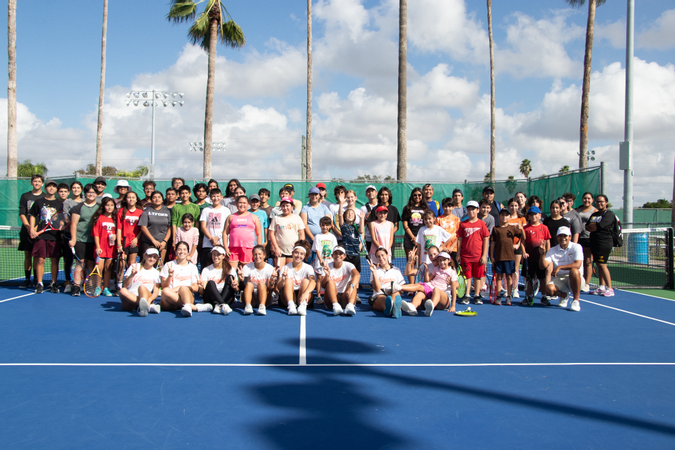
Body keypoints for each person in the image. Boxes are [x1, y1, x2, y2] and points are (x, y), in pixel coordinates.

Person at [28, 179, 63, 294]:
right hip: (41, 236)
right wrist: (32, 229)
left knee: (54, 260)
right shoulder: (38, 202)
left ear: (56, 189)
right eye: (49, 186)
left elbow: (62, 218)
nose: (51, 188)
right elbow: (33, 215)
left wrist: (62, 226)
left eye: (53, 186)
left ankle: (53, 283)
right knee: (40, 260)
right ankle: (39, 283)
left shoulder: (59, 203)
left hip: (55, 236)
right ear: (45, 188)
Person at [396, 250, 457, 316]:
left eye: (444, 260)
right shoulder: (435, 268)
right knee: (420, 293)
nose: (442, 262)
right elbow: (426, 280)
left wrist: (453, 306)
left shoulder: (452, 272)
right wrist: (426, 271)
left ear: (449, 260)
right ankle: (412, 307)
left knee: (436, 289)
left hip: (443, 299)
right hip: (430, 293)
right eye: (440, 260)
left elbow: (454, 289)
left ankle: (431, 307)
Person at [540, 226, 585, 312]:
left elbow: (578, 264)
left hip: (576, 278)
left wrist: (559, 267)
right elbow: (543, 266)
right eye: (560, 236)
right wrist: (542, 254)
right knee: (548, 290)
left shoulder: (577, 247)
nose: (563, 238)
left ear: (570, 237)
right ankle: (563, 295)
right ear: (557, 237)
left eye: (565, 236)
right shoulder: (553, 250)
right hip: (560, 279)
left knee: (574, 271)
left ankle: (576, 300)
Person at [160, 241, 210, 317]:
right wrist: (170, 276)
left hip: (187, 295)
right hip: (170, 298)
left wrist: (180, 288)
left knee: (183, 288)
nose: (182, 252)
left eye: (184, 249)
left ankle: (187, 305)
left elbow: (196, 288)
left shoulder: (192, 267)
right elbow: (164, 286)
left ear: (187, 252)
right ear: (176, 251)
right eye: (179, 249)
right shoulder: (168, 265)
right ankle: (191, 307)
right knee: (165, 291)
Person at [69, 184, 100, 297]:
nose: (91, 194)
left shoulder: (100, 207)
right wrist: (73, 239)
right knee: (80, 262)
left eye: (93, 192)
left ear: (96, 194)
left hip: (95, 241)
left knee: (91, 263)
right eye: (89, 192)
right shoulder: (78, 207)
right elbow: (73, 224)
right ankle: (76, 286)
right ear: (85, 193)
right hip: (81, 240)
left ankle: (89, 286)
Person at [457, 200, 490, 304]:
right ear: (466, 210)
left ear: (478, 210)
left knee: (477, 276)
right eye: (469, 209)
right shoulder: (463, 225)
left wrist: (484, 255)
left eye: (473, 209)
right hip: (466, 256)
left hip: (478, 256)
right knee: (468, 276)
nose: (471, 211)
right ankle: (467, 295)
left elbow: (486, 239)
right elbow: (459, 239)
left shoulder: (482, 224)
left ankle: (476, 295)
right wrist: (458, 254)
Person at [490, 209, 524, 306]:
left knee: (509, 277)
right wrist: (492, 257)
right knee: (499, 277)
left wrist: (520, 230)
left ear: (509, 217)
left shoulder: (513, 228)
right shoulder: (496, 229)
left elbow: (522, 236)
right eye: (502, 215)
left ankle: (509, 296)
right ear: (499, 217)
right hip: (499, 257)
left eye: (506, 215)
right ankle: (499, 297)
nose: (505, 217)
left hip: (510, 257)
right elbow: (493, 243)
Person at [18, 174, 44, 288]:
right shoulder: (25, 196)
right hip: (26, 231)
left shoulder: (45, 197)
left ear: (42, 183)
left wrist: (36, 229)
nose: (37, 183)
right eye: (35, 181)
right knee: (27, 254)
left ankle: (36, 280)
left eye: (39, 181)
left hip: (40, 231)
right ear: (31, 183)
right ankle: (27, 279)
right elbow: (22, 213)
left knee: (37, 256)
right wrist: (29, 228)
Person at [586, 194, 615, 297]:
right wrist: (593, 227)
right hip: (594, 242)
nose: (599, 203)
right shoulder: (594, 214)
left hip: (604, 243)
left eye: (601, 201)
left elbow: (600, 226)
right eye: (597, 202)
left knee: (602, 264)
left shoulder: (609, 214)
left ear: (606, 202)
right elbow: (587, 226)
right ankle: (601, 287)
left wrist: (594, 226)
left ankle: (610, 288)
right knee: (598, 264)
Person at [118, 248, 162, 316]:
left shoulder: (156, 273)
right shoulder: (134, 266)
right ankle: (147, 306)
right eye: (149, 256)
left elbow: (156, 292)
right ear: (145, 256)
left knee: (141, 287)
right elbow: (125, 285)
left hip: (146, 297)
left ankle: (144, 306)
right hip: (130, 298)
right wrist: (132, 275)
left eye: (154, 257)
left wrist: (149, 300)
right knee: (122, 291)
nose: (151, 259)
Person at [522, 206, 552, 305]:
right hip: (529, 258)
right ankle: (529, 296)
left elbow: (547, 241)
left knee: (542, 278)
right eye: (531, 215)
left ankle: (543, 297)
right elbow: (523, 242)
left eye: (535, 214)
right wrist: (523, 252)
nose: (533, 216)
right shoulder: (525, 228)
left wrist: (547, 254)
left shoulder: (544, 228)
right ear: (528, 216)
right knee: (529, 278)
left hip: (541, 258)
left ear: (539, 215)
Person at [223, 195, 262, 267]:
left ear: (248, 204)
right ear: (236, 203)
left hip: (249, 248)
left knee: (245, 273)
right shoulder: (231, 217)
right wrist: (226, 248)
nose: (242, 205)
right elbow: (225, 233)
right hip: (233, 249)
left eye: (244, 203)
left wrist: (257, 249)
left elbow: (259, 234)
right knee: (231, 272)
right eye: (240, 203)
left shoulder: (254, 217)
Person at [367, 246, 406, 318]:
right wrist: (374, 273)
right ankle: (391, 308)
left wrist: (392, 290)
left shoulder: (396, 270)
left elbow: (402, 289)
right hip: (379, 295)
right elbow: (377, 289)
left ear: (387, 256)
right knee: (385, 299)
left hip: (392, 292)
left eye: (382, 255)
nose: (381, 258)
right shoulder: (375, 271)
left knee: (397, 294)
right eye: (378, 256)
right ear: (376, 259)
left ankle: (392, 308)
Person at [277, 245, 316, 316]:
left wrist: (306, 292)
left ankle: (303, 305)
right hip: (288, 295)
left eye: (301, 254)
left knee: (306, 281)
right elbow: (279, 288)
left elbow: (313, 281)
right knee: (288, 280)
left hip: (303, 294)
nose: (298, 255)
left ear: (304, 256)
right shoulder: (285, 268)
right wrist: (283, 280)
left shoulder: (308, 267)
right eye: (296, 253)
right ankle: (291, 305)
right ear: (292, 253)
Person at [116, 190, 143, 291]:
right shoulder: (121, 211)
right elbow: (118, 229)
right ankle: (119, 284)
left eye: (133, 197)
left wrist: (136, 239)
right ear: (126, 199)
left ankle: (128, 284)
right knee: (121, 263)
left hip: (134, 243)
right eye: (129, 197)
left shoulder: (140, 212)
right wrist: (119, 244)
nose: (131, 199)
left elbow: (141, 228)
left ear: (136, 199)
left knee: (131, 265)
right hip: (123, 242)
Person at [401, 188, 430, 281]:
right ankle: (411, 286)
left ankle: (420, 284)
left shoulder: (426, 209)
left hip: (422, 240)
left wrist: (419, 239)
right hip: (410, 239)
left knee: (422, 263)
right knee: (411, 262)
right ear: (412, 196)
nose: (417, 197)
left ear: (422, 196)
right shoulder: (407, 208)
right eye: (415, 195)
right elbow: (405, 225)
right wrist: (413, 237)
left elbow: (427, 224)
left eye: (419, 195)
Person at [199, 246, 238, 315]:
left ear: (223, 256)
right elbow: (203, 292)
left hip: (226, 298)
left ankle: (219, 304)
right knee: (211, 283)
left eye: (218, 255)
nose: (215, 257)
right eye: (214, 254)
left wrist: (234, 286)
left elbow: (236, 289)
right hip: (211, 299)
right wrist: (201, 287)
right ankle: (222, 304)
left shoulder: (230, 269)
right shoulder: (206, 270)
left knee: (230, 277)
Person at [322, 246, 360, 316]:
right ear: (332, 256)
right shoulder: (327, 266)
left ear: (344, 256)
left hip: (345, 296)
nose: (338, 255)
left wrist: (351, 287)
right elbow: (323, 286)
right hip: (330, 298)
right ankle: (335, 305)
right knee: (330, 282)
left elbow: (357, 275)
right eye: (336, 253)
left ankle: (350, 306)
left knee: (352, 282)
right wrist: (327, 275)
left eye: (340, 253)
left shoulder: (349, 265)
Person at [269, 197, 306, 267]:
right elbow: (271, 234)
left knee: (290, 272)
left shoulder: (297, 218)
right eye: (283, 206)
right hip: (280, 251)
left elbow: (301, 234)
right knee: (279, 272)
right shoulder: (276, 218)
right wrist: (276, 248)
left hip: (293, 251)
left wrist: (299, 248)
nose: (285, 208)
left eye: (287, 206)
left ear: (292, 206)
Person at [199, 188, 231, 270]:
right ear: (210, 197)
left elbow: (227, 227)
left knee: (222, 268)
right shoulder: (206, 210)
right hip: (208, 244)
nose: (215, 198)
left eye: (217, 196)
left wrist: (218, 237)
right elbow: (203, 227)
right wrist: (211, 238)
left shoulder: (226, 210)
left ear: (221, 197)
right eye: (213, 196)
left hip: (221, 243)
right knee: (207, 268)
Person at [91, 197, 117, 297]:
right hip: (101, 248)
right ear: (103, 206)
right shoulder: (99, 218)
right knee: (99, 268)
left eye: (111, 205)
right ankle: (98, 287)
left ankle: (105, 288)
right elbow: (96, 234)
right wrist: (97, 247)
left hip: (111, 248)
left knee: (108, 269)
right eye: (107, 205)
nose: (109, 207)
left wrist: (115, 237)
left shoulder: (115, 219)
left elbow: (118, 232)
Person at [240, 245, 277, 315]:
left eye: (259, 254)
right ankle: (248, 306)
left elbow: (271, 289)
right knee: (249, 284)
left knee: (261, 285)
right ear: (253, 256)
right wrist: (242, 280)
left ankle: (262, 307)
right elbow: (242, 288)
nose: (257, 257)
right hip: (251, 297)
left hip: (265, 297)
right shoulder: (247, 267)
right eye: (255, 254)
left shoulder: (270, 268)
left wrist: (272, 281)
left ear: (264, 255)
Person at [61, 181, 83, 293]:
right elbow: (67, 219)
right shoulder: (67, 202)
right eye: (74, 188)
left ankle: (79, 283)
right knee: (68, 260)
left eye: (78, 188)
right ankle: (68, 282)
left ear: (81, 189)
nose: (76, 190)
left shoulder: (85, 202)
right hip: (69, 235)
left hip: (82, 236)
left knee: (81, 261)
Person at [138, 191, 171, 263]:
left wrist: (164, 241)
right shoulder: (146, 211)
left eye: (159, 197)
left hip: (162, 243)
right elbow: (143, 227)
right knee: (146, 264)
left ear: (162, 199)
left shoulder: (167, 211)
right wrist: (153, 240)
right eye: (154, 197)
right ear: (151, 199)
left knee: (159, 265)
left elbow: (170, 228)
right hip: (148, 242)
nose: (157, 199)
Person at [506, 197, 527, 298]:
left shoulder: (522, 219)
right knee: (507, 268)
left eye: (515, 205)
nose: (513, 207)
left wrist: (518, 244)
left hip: (517, 247)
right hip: (507, 247)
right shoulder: (506, 218)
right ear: (509, 206)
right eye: (511, 205)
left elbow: (524, 235)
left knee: (515, 268)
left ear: (518, 206)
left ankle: (515, 289)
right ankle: (507, 289)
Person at [576, 192, 597, 291]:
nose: (586, 200)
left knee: (588, 261)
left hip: (589, 238)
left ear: (592, 200)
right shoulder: (578, 210)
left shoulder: (594, 211)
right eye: (585, 198)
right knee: (579, 261)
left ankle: (587, 284)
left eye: (589, 198)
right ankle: (580, 281)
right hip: (578, 238)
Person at [311, 216, 338, 293]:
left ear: (330, 226)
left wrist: (334, 261)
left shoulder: (332, 237)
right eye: (323, 225)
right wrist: (320, 260)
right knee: (319, 279)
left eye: (327, 225)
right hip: (320, 262)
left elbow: (334, 249)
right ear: (320, 225)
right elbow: (317, 249)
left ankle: (328, 293)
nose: (324, 227)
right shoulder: (317, 236)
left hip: (330, 262)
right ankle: (318, 296)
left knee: (329, 277)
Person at [171, 185, 201, 250]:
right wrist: (174, 239)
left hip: (191, 236)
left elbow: (197, 222)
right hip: (179, 235)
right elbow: (174, 223)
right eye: (182, 193)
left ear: (190, 194)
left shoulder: (195, 207)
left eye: (186, 193)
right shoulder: (175, 207)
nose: (184, 195)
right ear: (179, 195)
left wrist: (195, 236)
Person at [436, 197, 460, 268]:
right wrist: (442, 246)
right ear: (442, 207)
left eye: (450, 206)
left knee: (454, 268)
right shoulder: (438, 219)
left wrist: (452, 247)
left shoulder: (457, 219)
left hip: (454, 248)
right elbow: (437, 235)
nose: (447, 208)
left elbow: (458, 236)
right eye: (445, 206)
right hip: (442, 248)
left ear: (453, 207)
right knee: (443, 268)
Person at [337, 208, 362, 273]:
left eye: (352, 214)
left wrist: (362, 219)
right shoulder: (343, 225)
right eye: (348, 214)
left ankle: (356, 283)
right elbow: (340, 215)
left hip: (356, 253)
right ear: (344, 217)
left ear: (354, 217)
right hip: (346, 254)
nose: (350, 215)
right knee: (346, 273)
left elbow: (361, 231)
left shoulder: (356, 225)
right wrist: (341, 203)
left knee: (356, 273)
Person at [360, 185, 379, 252]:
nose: (370, 193)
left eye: (372, 191)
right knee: (371, 260)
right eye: (368, 191)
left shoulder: (382, 205)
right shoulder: (363, 208)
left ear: (376, 193)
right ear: (366, 195)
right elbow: (363, 224)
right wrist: (366, 218)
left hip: (381, 236)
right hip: (369, 238)